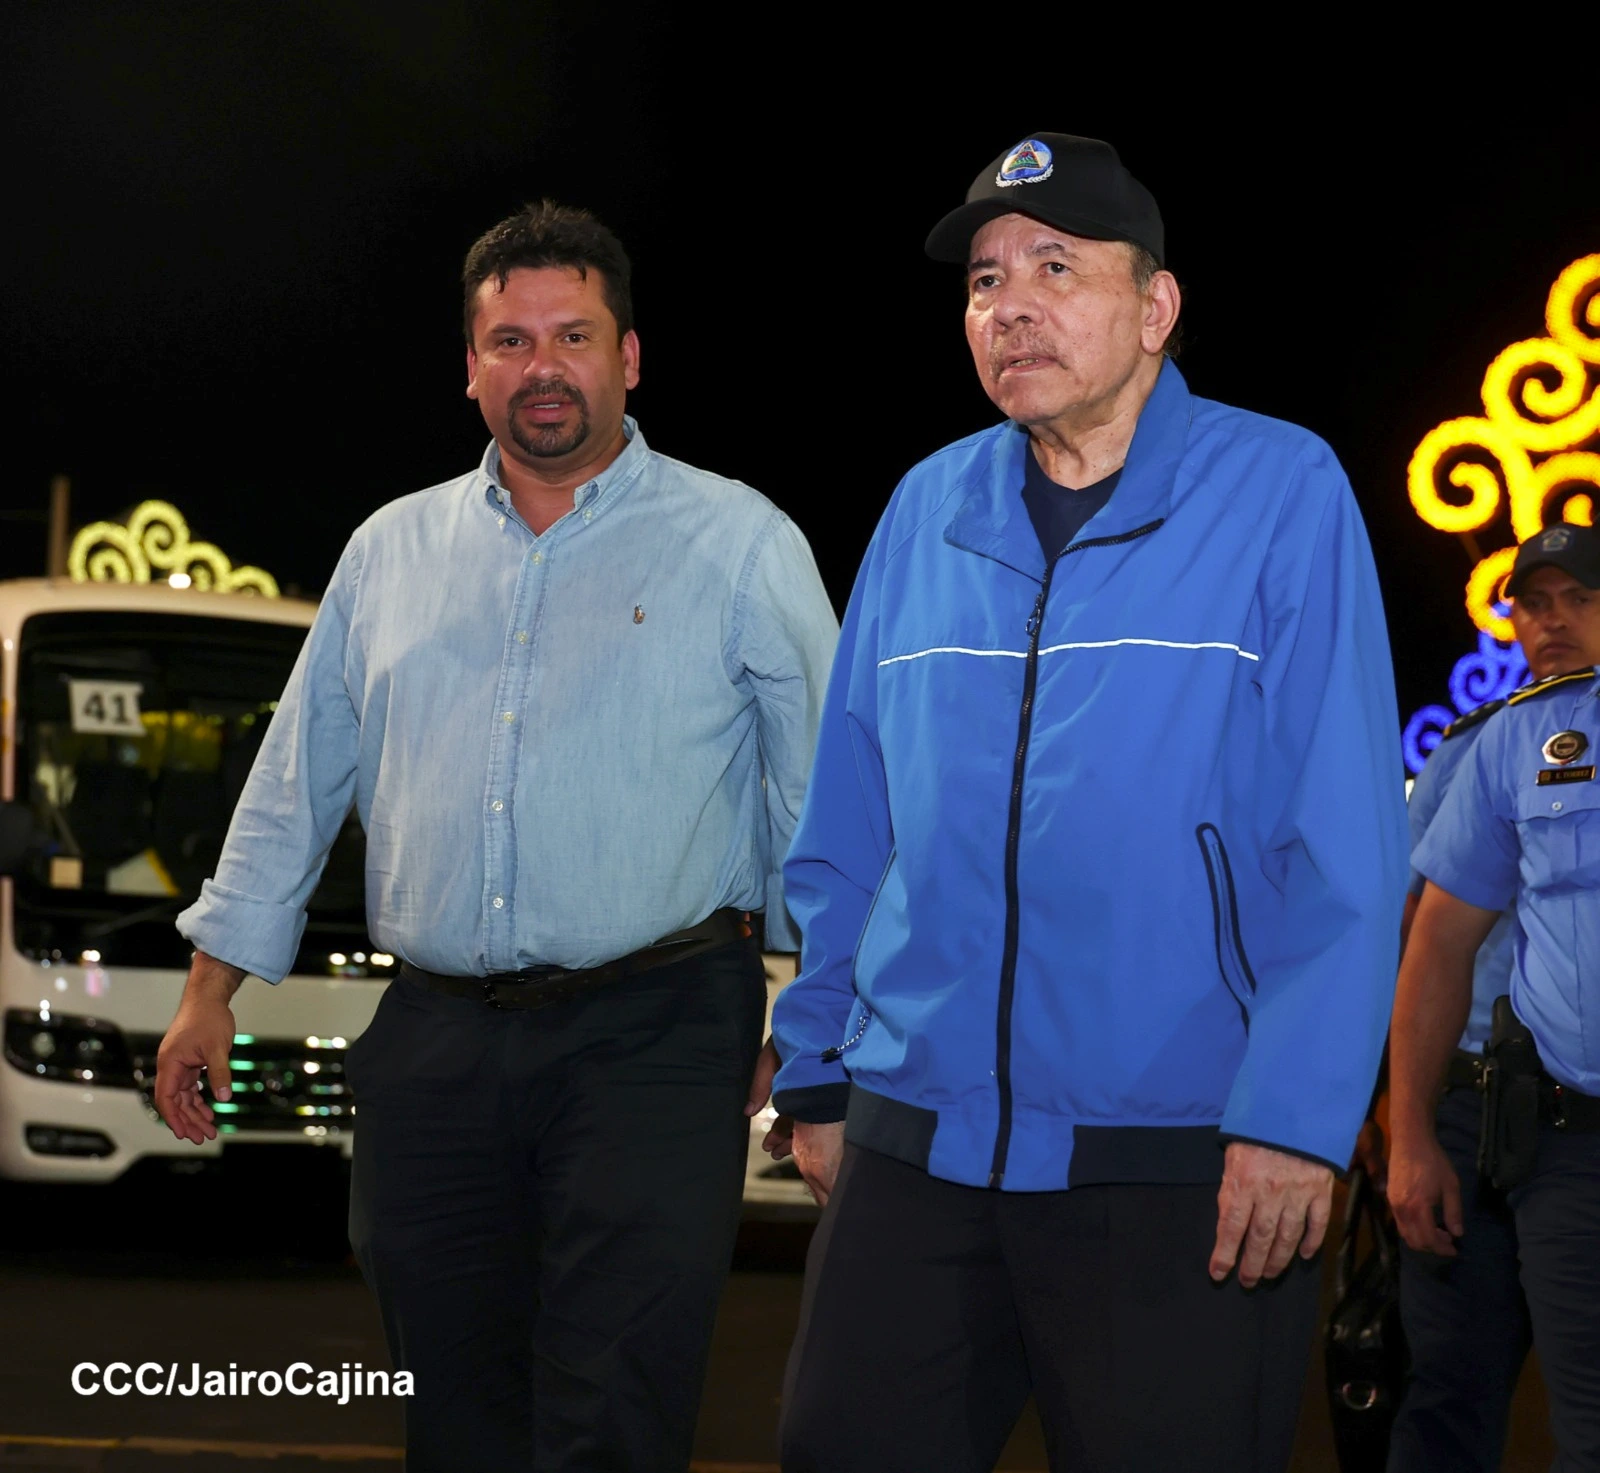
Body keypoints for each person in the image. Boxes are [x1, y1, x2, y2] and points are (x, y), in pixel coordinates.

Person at [748, 132, 1408, 1473]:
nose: (1012, 305)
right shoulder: (926, 508)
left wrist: (1294, 1117)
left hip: (1174, 1155)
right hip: (917, 1137)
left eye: (1056, 267)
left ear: (1154, 308)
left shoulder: (1281, 491)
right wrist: (816, 1064)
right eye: (985, 279)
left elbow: (1345, 840)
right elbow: (850, 825)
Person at [152, 201, 838, 1473]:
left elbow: (825, 807)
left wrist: (817, 1026)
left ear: (629, 357)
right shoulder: (388, 553)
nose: (543, 368)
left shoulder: (741, 545)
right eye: (510, 342)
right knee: (453, 1406)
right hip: (435, 1043)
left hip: (656, 1033)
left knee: (613, 1406)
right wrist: (209, 991)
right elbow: (295, 782)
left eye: (573, 336)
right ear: (470, 368)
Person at [1390, 523, 1600, 1471]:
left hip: (1560, 1116)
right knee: (1452, 1390)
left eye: (1579, 600)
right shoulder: (1490, 742)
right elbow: (1419, 934)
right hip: (1483, 1099)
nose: (1553, 620)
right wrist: (1396, 1119)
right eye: (1536, 603)